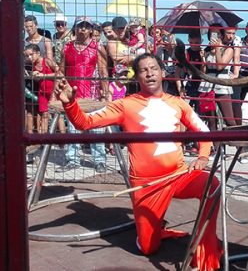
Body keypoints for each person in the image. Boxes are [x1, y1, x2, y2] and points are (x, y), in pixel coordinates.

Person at [54, 53, 221, 271]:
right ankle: (154, 231)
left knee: (213, 185)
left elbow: (203, 132)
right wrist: (70, 104)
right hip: (146, 185)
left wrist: (202, 157)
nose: (150, 73)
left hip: (179, 175)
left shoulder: (178, 103)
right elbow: (85, 122)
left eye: (154, 68)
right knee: (148, 248)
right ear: (137, 77)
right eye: (143, 70)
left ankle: (205, 248)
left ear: (162, 72)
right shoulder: (124, 105)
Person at [56, 16, 109, 173]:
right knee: (72, 129)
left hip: (92, 94)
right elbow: (61, 70)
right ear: (75, 28)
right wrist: (56, 92)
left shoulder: (97, 47)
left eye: (86, 26)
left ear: (91, 29)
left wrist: (105, 94)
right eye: (80, 26)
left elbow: (103, 71)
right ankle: (72, 159)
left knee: (96, 129)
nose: (83, 29)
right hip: (72, 94)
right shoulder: (67, 47)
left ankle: (99, 160)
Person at [24, 43, 57, 134]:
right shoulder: (32, 66)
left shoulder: (47, 61)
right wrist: (34, 76)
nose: (29, 57)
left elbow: (60, 73)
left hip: (53, 91)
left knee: (58, 115)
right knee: (44, 115)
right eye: (27, 56)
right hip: (42, 92)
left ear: (38, 53)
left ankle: (61, 140)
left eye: (31, 54)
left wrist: (44, 75)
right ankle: (44, 139)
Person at [231, 19, 248, 124]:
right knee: (237, 102)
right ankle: (237, 125)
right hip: (240, 75)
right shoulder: (239, 42)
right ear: (246, 29)